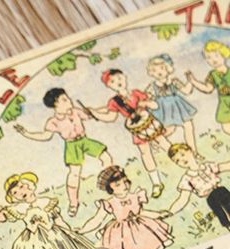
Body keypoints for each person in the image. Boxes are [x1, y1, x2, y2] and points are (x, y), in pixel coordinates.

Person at [14, 88, 113, 215]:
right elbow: (45, 136)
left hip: (84, 140)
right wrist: (26, 133)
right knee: (74, 174)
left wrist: (107, 107)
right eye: (65, 100)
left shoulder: (75, 111)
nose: (69, 101)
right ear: (56, 105)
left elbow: (91, 114)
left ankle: (112, 185)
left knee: (106, 157)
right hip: (72, 145)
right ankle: (73, 203)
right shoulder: (53, 122)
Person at [80, 166, 173, 249]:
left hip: (143, 228)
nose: (124, 186)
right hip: (125, 234)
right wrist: (83, 230)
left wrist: (158, 214)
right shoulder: (109, 203)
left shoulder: (135, 196)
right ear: (109, 188)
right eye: (118, 184)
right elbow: (97, 220)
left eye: (125, 181)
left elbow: (141, 212)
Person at [100, 67, 166, 195]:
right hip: (137, 129)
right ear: (109, 86)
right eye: (112, 82)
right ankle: (157, 183)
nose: (118, 82)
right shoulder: (114, 102)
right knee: (145, 153)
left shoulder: (136, 93)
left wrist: (145, 104)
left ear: (124, 77)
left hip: (149, 122)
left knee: (163, 142)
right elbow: (111, 117)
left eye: (119, 78)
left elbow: (154, 105)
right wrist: (96, 115)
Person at [167, 144, 230, 229]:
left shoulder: (207, 166)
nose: (182, 160)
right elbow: (183, 198)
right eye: (177, 160)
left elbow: (225, 166)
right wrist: (170, 212)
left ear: (190, 151)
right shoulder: (187, 179)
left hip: (224, 193)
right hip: (213, 200)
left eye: (183, 155)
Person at [188, 41, 230, 144]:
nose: (213, 60)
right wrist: (194, 82)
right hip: (224, 102)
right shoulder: (212, 75)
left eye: (216, 55)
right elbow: (208, 89)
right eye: (209, 57)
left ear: (223, 54)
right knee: (227, 127)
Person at [148, 53, 198, 152]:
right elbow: (147, 98)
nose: (159, 72)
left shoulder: (173, 81)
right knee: (169, 130)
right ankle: (155, 141)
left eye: (162, 68)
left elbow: (186, 91)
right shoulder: (152, 86)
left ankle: (193, 151)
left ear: (168, 68)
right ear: (152, 73)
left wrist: (190, 81)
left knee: (188, 126)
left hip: (177, 107)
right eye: (155, 70)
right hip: (163, 110)